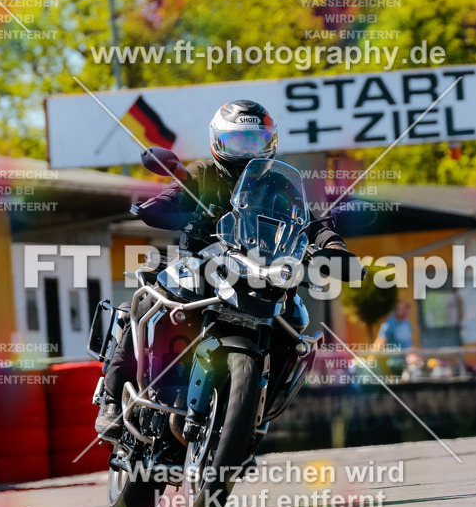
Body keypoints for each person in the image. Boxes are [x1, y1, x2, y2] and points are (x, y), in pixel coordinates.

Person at [95, 99, 357, 441]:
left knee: (294, 321)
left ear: (270, 143)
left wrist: (334, 248)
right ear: (218, 142)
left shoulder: (280, 186)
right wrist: (160, 206)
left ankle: (252, 407)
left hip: (264, 272)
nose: (247, 152)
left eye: (255, 142)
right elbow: (180, 191)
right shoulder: (204, 173)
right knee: (147, 299)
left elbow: (309, 224)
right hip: (202, 265)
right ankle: (114, 401)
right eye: (238, 142)